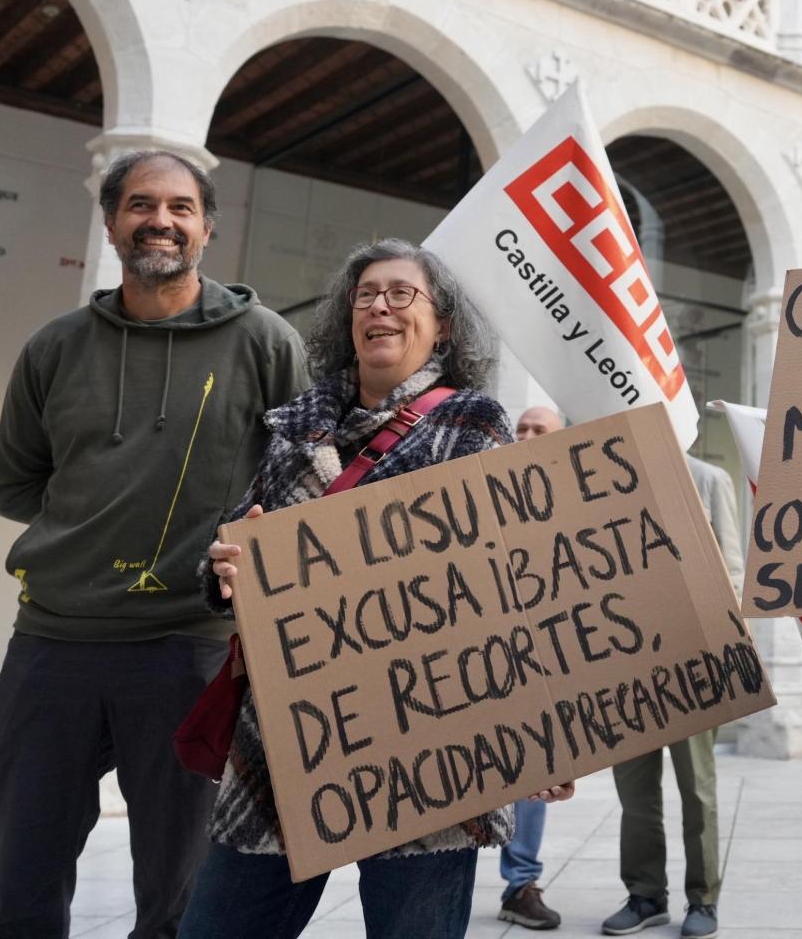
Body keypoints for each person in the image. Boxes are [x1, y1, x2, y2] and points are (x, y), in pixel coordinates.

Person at [178, 239, 574, 939]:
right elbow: (232, 544)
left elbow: (518, 591)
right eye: (365, 295)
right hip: (285, 746)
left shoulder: (475, 428)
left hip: (433, 754)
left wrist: (547, 727)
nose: (380, 307)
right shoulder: (293, 430)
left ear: (443, 325)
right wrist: (227, 567)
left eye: (401, 293)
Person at [0, 150, 309, 939]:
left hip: (189, 651)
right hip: (52, 643)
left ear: (207, 226)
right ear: (112, 221)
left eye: (179, 207)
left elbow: (302, 485)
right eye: (140, 204)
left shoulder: (264, 343)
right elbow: (14, 486)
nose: (159, 220)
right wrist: (97, 528)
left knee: (181, 901)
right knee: (20, 889)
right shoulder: (54, 347)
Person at [602, 453, 744, 939]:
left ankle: (703, 900)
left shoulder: (708, 478)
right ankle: (645, 895)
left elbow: (733, 569)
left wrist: (726, 648)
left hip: (693, 663)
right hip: (627, 664)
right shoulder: (605, 482)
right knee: (635, 793)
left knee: (696, 789)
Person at [494, 404, 571, 932]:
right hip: (477, 652)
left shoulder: (570, 500)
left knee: (534, 770)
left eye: (537, 431)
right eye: (518, 429)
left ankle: (520, 883)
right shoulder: (479, 489)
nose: (523, 436)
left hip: (538, 659)